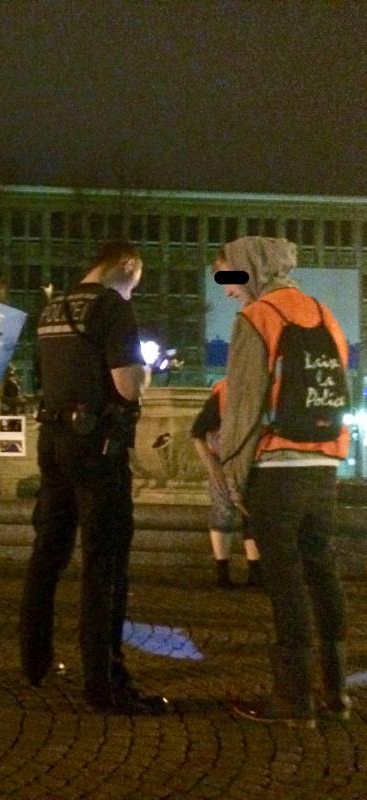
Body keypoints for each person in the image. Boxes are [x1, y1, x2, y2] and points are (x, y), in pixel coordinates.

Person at [20, 240, 169, 715]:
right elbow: (127, 384)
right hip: (97, 446)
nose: (133, 290)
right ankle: (105, 683)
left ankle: (35, 659)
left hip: (54, 441)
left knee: (48, 551)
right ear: (126, 266)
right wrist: (144, 374)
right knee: (104, 565)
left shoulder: (52, 309)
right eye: (135, 280)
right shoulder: (111, 307)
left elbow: (42, 375)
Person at [216, 236, 351, 728]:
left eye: (229, 276)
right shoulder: (323, 312)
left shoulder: (258, 317)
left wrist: (232, 473)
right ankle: (335, 692)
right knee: (321, 569)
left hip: (276, 469)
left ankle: (294, 700)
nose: (227, 288)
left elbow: (244, 403)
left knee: (285, 579)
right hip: (324, 466)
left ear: (250, 269)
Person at [191, 377, 262, 589]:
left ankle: (253, 573)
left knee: (250, 512)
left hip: (248, 457)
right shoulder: (226, 392)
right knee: (225, 510)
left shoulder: (232, 389)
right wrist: (215, 469)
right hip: (226, 459)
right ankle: (224, 573)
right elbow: (198, 433)